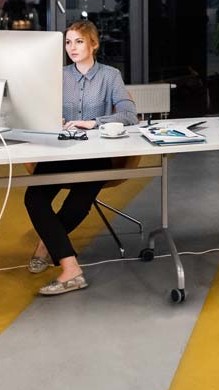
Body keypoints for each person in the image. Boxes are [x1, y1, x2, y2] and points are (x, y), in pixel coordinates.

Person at [25, 20, 137, 296]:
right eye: (67, 42)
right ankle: (61, 256)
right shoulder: (58, 75)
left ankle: (59, 257)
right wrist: (51, 118)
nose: (71, 48)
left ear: (93, 44)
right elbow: (38, 108)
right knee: (33, 198)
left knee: (77, 204)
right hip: (60, 151)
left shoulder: (110, 76)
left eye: (78, 41)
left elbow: (128, 115)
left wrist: (93, 122)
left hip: (95, 155)